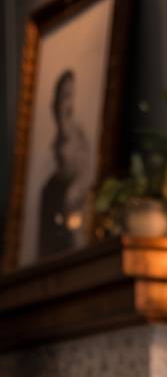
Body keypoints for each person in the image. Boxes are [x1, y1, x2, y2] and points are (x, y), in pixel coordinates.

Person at [37, 70, 91, 258]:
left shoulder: (81, 137)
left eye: (69, 96)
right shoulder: (48, 185)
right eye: (62, 97)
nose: (65, 104)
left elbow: (86, 176)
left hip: (74, 210)